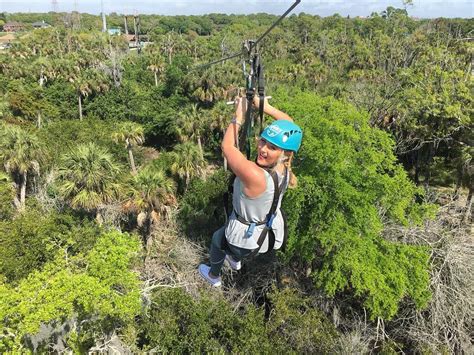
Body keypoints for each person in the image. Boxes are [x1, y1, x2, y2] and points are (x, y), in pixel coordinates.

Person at [198, 96, 303, 287]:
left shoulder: (254, 174)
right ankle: (234, 258)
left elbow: (227, 147)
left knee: (217, 240)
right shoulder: (285, 168)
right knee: (229, 240)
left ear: (284, 152)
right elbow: (289, 124)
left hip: (246, 240)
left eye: (271, 147)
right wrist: (264, 106)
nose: (262, 149)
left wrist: (239, 114)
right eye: (262, 141)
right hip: (268, 234)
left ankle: (214, 276)